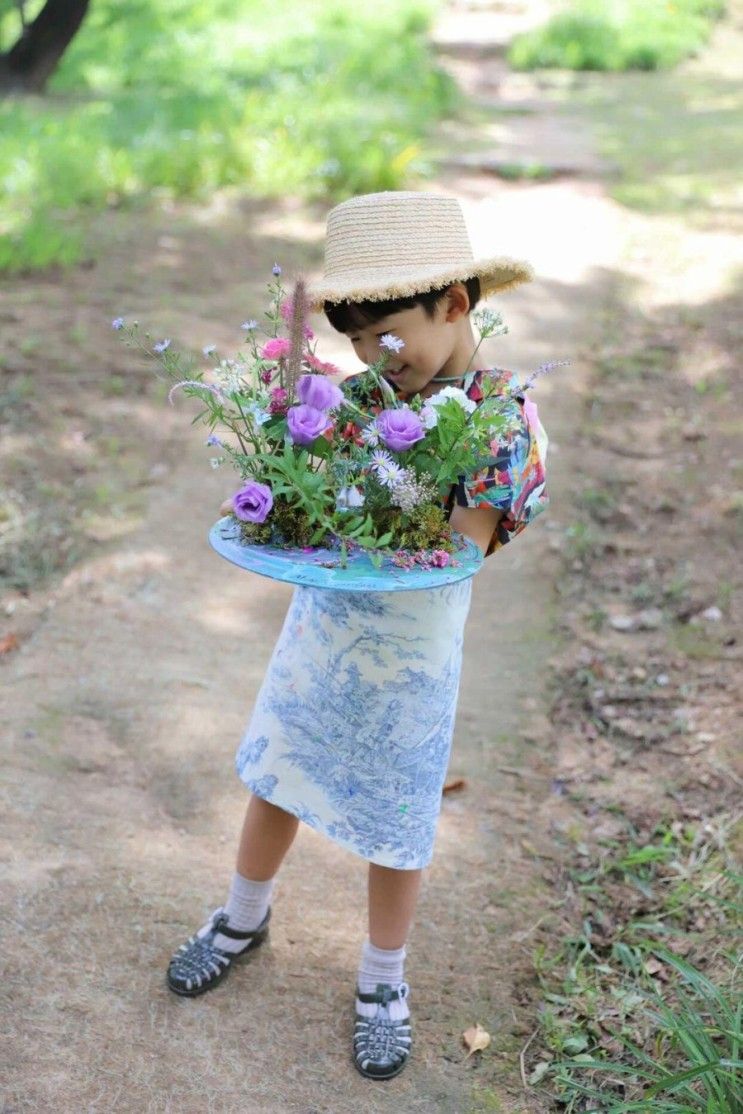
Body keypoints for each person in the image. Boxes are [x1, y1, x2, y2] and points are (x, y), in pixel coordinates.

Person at [165, 191, 549, 1080]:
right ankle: (242, 915)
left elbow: (462, 551)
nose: (374, 358)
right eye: (355, 340)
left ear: (453, 304)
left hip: (413, 652)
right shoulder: (363, 398)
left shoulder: (499, 421)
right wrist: (276, 497)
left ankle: (383, 979)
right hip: (323, 625)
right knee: (280, 770)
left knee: (397, 814)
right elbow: (313, 500)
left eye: (387, 336)